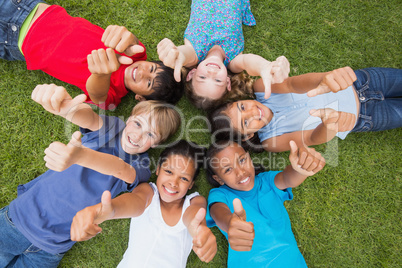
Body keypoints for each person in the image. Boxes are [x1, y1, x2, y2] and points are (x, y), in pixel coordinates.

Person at [0, 84, 181, 267]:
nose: (138, 134)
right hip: (19, 218)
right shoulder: (113, 128)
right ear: (129, 119)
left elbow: (121, 169)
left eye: (150, 134)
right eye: (137, 123)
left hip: (51, 248)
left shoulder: (141, 165)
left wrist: (82, 156)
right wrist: (68, 109)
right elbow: (90, 119)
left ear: (157, 143)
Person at [0, 0, 183, 110]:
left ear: (140, 98)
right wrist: (125, 36)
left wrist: (101, 74)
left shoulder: (113, 97)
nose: (143, 72)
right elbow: (132, 41)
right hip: (27, 8)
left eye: (148, 82)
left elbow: (98, 95)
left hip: (12, 42)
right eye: (151, 68)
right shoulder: (136, 55)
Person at [71, 140, 217, 267]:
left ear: (191, 184)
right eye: (169, 171)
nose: (174, 183)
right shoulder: (148, 192)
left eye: (184, 179)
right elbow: (135, 202)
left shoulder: (194, 202)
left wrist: (199, 230)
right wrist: (108, 211)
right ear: (158, 169)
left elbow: (194, 217)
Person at [209, 66, 402, 152]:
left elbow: (293, 84)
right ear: (247, 136)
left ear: (240, 99)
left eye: (242, 107)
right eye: (246, 122)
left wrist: (323, 79)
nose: (253, 112)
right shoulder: (271, 142)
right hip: (364, 117)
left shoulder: (262, 88)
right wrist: (329, 126)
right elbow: (311, 138)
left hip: (360, 82)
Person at [205, 140, 325, 267]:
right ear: (219, 179)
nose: (240, 172)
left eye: (242, 160)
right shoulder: (220, 194)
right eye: (228, 169)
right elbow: (217, 211)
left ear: (249, 157)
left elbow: (287, 178)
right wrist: (230, 223)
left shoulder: (267, 181)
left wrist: (300, 169)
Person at [156, 0, 290, 110]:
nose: (211, 73)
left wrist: (178, 54)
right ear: (227, 82)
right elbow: (248, 62)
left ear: (192, 73)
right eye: (217, 81)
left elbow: (184, 55)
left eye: (202, 77)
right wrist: (263, 66)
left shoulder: (194, 53)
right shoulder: (233, 61)